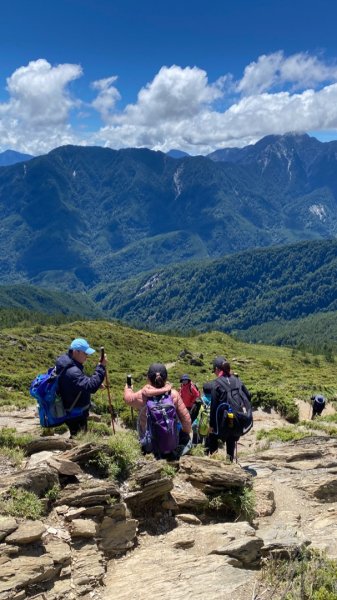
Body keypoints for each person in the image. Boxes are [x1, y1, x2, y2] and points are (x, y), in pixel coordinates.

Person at [124, 363, 191, 457]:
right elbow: (186, 419)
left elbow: (128, 399)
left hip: (149, 443)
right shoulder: (173, 394)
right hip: (170, 441)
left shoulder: (142, 395)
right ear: (166, 378)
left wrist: (128, 388)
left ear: (148, 378)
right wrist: (185, 435)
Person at [56, 337, 107, 437]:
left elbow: (77, 381)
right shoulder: (72, 370)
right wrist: (101, 367)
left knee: (76, 435)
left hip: (72, 410)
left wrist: (91, 381)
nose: (87, 356)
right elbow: (91, 387)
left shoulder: (67, 363)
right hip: (75, 414)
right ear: (76, 352)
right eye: (85, 353)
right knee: (79, 440)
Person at [208, 356, 251, 462]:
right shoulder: (237, 380)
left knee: (212, 435)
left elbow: (214, 408)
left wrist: (212, 426)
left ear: (217, 369)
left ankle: (214, 461)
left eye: (214, 371)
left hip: (224, 423)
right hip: (238, 420)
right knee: (231, 438)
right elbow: (248, 396)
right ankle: (229, 461)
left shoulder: (216, 384)